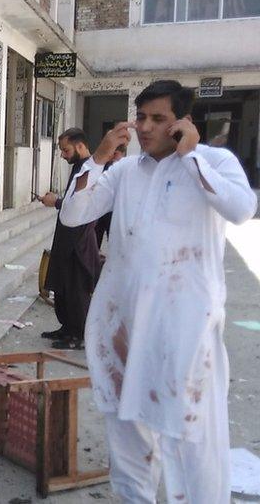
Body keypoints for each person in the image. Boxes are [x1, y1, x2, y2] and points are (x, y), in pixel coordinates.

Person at [59, 80, 256, 503]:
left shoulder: (213, 161)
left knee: (187, 431)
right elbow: (74, 214)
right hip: (124, 324)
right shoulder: (126, 171)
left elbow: (241, 209)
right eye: (141, 117)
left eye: (158, 119)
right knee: (126, 434)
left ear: (184, 122)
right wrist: (97, 157)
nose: (145, 127)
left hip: (183, 328)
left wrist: (191, 159)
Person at [38, 128, 101, 350]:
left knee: (76, 290)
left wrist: (55, 202)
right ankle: (67, 328)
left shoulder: (90, 169)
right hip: (66, 238)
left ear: (80, 146)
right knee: (63, 288)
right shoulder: (78, 167)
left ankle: (79, 335)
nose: (63, 155)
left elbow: (82, 205)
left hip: (80, 241)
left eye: (66, 150)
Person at [95, 144, 127, 248]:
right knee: (96, 238)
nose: (113, 155)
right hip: (101, 209)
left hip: (115, 210)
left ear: (122, 153)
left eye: (116, 153)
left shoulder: (126, 168)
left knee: (114, 240)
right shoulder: (106, 166)